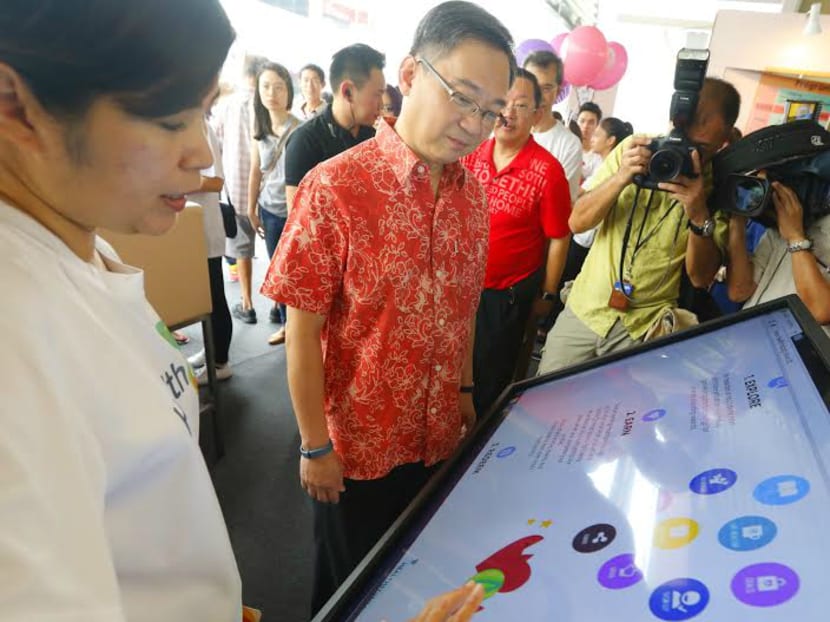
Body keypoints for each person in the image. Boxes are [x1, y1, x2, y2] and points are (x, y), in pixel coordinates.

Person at [0, 2, 485, 620]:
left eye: (202, 115)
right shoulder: (16, 334)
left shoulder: (80, 260)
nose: (201, 155)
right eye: (171, 119)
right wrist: (316, 444)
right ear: (17, 106)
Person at [261, 0, 516, 614]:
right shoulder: (336, 187)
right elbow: (302, 331)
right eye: (462, 96)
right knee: (349, 591)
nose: (474, 124)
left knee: (418, 577)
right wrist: (314, 446)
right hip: (356, 448)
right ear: (408, 76)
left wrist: (463, 392)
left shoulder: (473, 198)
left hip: (434, 436)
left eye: (490, 111)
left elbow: (461, 312)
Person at [537, 78, 740, 373]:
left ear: (722, 143)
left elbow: (701, 277)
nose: (688, 154)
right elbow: (577, 223)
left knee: (616, 414)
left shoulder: (715, 186)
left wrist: (698, 214)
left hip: (642, 327)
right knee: (545, 401)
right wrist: (621, 177)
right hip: (586, 309)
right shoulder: (633, 150)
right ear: (675, 122)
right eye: (685, 141)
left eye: (701, 149)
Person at [461, 68, 571, 414]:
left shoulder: (548, 171)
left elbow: (559, 237)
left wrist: (548, 294)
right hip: (458, 286)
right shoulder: (471, 152)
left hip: (502, 297)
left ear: (537, 114)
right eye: (503, 103)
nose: (508, 113)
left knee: (486, 379)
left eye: (520, 105)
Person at [283, 43, 386, 213]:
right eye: (377, 95)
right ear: (347, 92)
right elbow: (297, 221)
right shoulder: (304, 142)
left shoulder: (373, 138)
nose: (381, 105)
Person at [727, 181, 830, 333]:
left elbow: (820, 310)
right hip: (750, 339)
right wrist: (737, 219)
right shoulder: (777, 231)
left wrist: (796, 237)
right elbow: (739, 291)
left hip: (793, 349)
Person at [246, 61, 301, 345]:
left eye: (279, 87)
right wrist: (250, 207)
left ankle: (295, 327)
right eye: (266, 86)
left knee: (294, 271)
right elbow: (256, 169)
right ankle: (284, 321)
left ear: (288, 91)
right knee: (277, 269)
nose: (272, 93)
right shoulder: (260, 129)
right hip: (269, 211)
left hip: (295, 212)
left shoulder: (300, 129)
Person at [213, 53, 266, 324]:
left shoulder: (227, 105)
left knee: (242, 250)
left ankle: (247, 303)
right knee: (277, 249)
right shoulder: (267, 103)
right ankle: (281, 308)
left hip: (236, 188)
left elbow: (216, 145)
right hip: (268, 193)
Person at [188, 120, 235, 384]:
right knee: (201, 297)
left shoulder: (200, 126)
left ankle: (220, 362)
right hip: (188, 230)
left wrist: (170, 182)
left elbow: (215, 181)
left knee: (214, 296)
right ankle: (211, 350)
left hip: (204, 229)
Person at [524, 50, 582, 202]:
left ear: (558, 91)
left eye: (547, 88)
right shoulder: (502, 131)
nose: (538, 95)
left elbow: (559, 204)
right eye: (532, 85)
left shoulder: (569, 145)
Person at [577, 101, 603, 180]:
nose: (585, 126)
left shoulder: (598, 157)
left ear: (597, 126)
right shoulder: (566, 147)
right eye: (582, 121)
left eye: (591, 122)